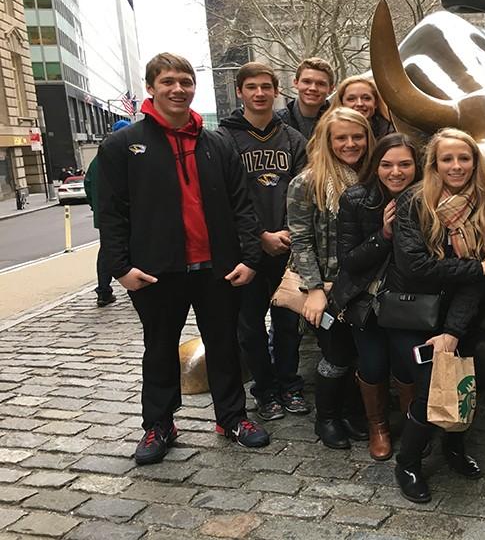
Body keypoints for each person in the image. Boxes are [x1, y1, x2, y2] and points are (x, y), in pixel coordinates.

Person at [98, 53, 269, 465]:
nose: (178, 89)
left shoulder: (217, 144)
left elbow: (241, 204)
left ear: (194, 87)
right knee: (158, 348)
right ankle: (159, 424)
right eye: (169, 81)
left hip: (217, 268)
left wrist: (249, 256)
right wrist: (120, 267)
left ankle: (231, 417)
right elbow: (110, 211)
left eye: (186, 81)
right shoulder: (123, 144)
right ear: (152, 87)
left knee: (224, 345)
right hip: (156, 272)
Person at [385, 128, 485, 503]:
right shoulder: (412, 202)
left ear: (474, 163)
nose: (456, 165)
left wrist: (453, 330)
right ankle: (408, 462)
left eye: (464, 158)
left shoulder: (482, 204)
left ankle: (453, 448)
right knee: (432, 382)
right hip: (412, 313)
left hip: (458, 315)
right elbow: (416, 267)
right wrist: (482, 267)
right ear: (434, 164)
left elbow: (477, 280)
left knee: (465, 379)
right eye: (447, 158)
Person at [220, 62, 310, 421]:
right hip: (247, 252)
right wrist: (260, 236)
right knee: (250, 326)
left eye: (266, 87)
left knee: (289, 325)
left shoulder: (293, 139)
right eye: (251, 87)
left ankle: (289, 383)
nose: (259, 93)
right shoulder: (224, 139)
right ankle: (265, 389)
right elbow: (225, 197)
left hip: (288, 249)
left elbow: (306, 191)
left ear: (276, 91)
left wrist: (288, 232)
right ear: (240, 91)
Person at [287, 107, 375, 450]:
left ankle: (354, 412)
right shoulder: (306, 183)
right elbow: (301, 239)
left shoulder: (374, 178)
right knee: (335, 354)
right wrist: (313, 289)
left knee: (360, 353)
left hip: (365, 284)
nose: (350, 144)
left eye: (357, 136)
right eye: (341, 137)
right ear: (327, 139)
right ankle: (327, 417)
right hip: (325, 286)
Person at [331, 133, 422, 460]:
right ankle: (377, 426)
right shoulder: (356, 199)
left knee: (408, 364)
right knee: (372, 364)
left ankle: (415, 427)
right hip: (365, 300)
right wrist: (383, 234)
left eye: (404, 164)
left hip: (410, 304)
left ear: (417, 166)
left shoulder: (428, 198)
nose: (395, 172)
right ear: (376, 166)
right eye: (387, 164)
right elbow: (349, 260)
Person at [85, 119, 131, 307]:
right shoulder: (126, 154)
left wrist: (96, 207)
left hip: (106, 216)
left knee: (107, 252)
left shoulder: (99, 159)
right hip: (127, 214)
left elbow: (88, 185)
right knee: (134, 248)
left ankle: (104, 290)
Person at [277, 57, 335, 139]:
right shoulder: (278, 122)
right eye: (307, 82)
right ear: (296, 83)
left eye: (321, 83)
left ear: (331, 89)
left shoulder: (340, 121)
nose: (313, 88)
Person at [324, 76, 395, 141]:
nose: (359, 104)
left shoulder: (392, 134)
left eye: (366, 98)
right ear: (341, 103)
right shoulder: (326, 133)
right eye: (351, 99)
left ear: (375, 103)